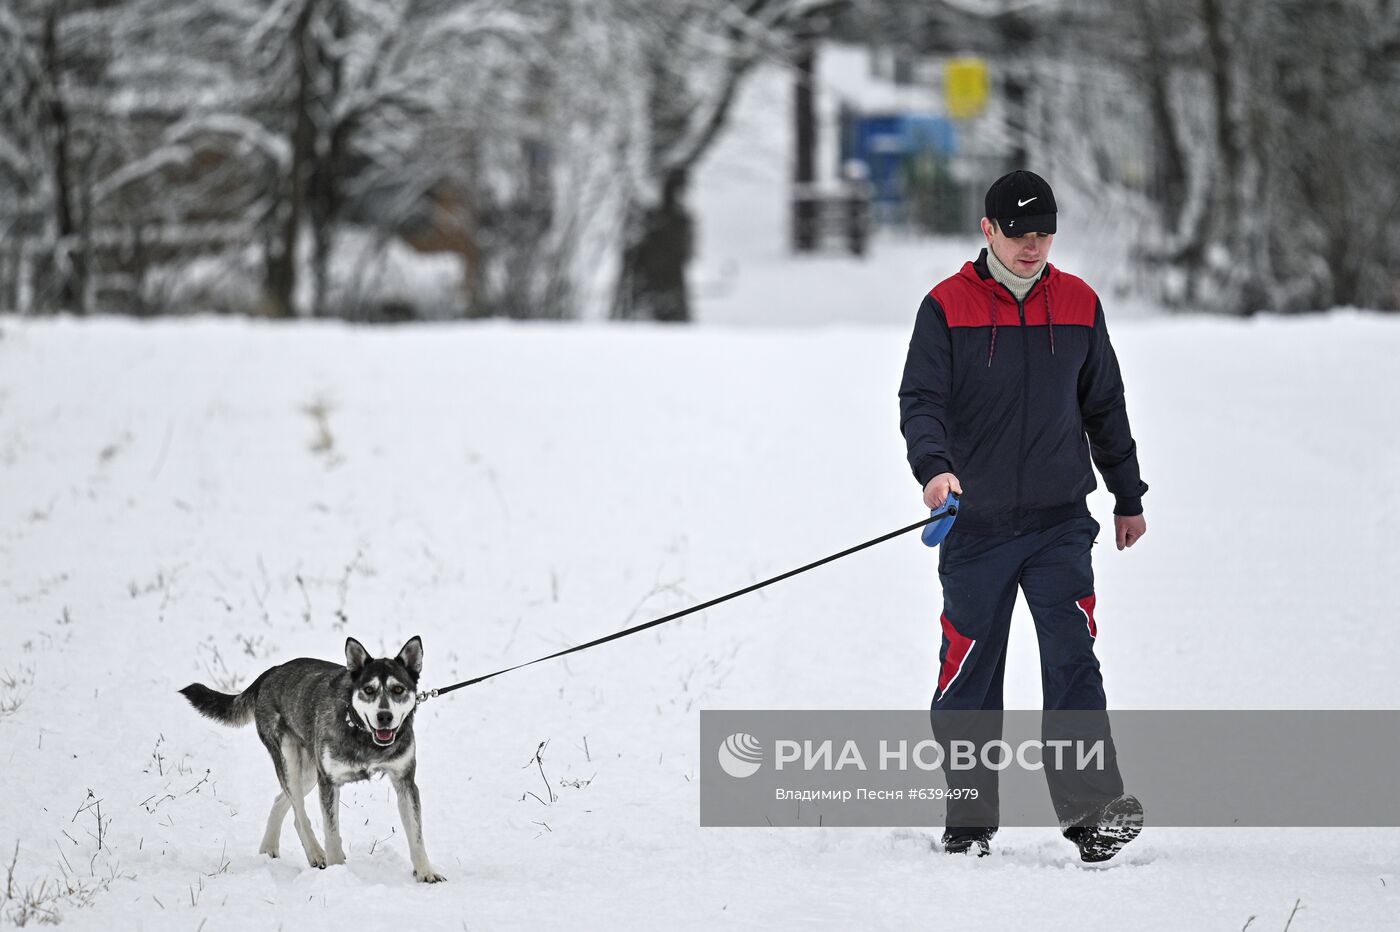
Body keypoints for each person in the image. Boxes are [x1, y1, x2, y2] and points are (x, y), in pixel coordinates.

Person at [898, 169, 1148, 861]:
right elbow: (922, 401)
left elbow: (1105, 406)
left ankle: (1094, 815)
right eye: (1019, 234)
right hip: (974, 527)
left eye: (1043, 235)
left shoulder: (1078, 303)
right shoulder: (945, 307)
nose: (1032, 247)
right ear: (988, 230)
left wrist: (1127, 494)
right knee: (970, 672)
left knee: (1073, 663)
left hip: (1059, 522)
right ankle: (970, 821)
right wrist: (934, 469)